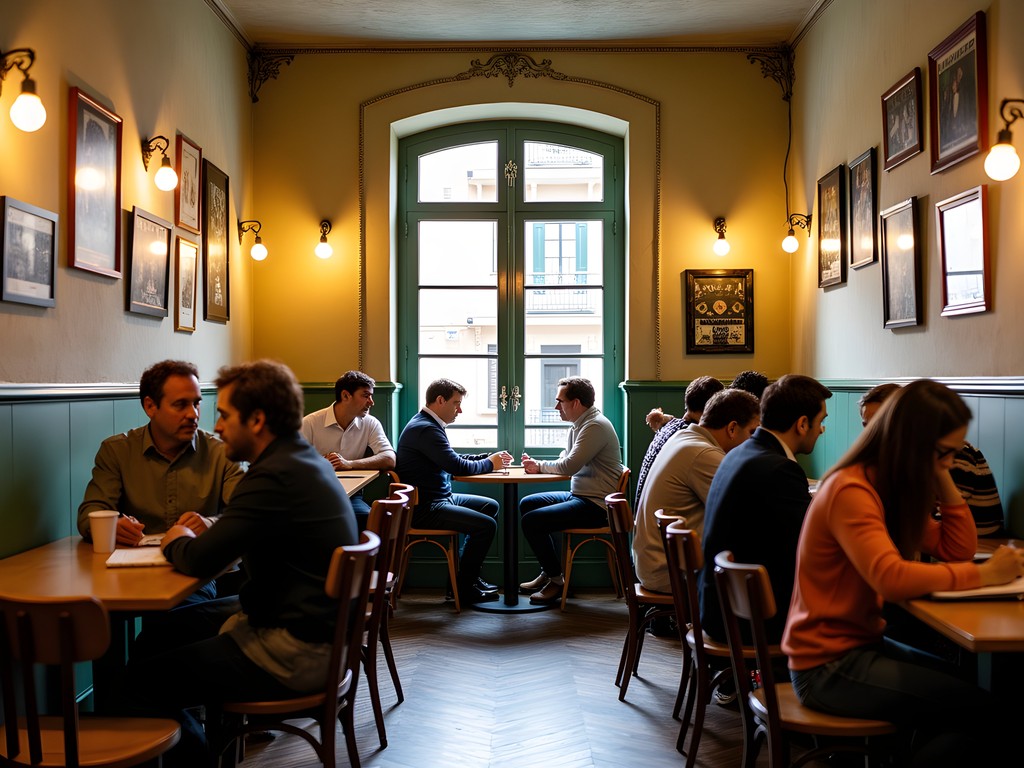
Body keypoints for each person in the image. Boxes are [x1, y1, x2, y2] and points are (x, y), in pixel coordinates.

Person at [121, 359, 359, 766]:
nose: (214, 426)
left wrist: (177, 538)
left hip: (293, 651)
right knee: (159, 636)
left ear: (257, 419)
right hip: (315, 632)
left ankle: (200, 758)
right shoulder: (301, 461)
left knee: (132, 685)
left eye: (224, 415)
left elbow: (200, 560)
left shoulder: (272, 477)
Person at [784, 380, 1024, 766]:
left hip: (857, 647)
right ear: (914, 445)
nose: (951, 461)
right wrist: (986, 575)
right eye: (944, 453)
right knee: (985, 713)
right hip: (827, 665)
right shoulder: (852, 490)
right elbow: (889, 578)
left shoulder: (882, 487)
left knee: (973, 691)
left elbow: (956, 549)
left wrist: (939, 473)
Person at [77, 359, 245, 601]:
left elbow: (244, 515)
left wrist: (208, 524)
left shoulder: (222, 452)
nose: (193, 414)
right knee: (91, 609)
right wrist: (111, 527)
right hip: (130, 571)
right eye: (180, 405)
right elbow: (89, 512)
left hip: (195, 573)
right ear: (150, 406)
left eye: (196, 403)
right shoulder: (117, 451)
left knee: (176, 621)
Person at [698, 374, 832, 645]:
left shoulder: (739, 452)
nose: (821, 430)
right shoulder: (780, 469)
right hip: (746, 619)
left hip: (719, 606)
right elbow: (812, 546)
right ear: (803, 424)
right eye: (821, 422)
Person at [395, 378, 513, 605]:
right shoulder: (425, 429)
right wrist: (491, 464)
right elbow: (457, 467)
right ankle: (463, 588)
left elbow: (452, 458)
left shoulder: (427, 424)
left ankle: (465, 580)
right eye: (456, 403)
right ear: (440, 400)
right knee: (486, 526)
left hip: (440, 499)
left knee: (490, 506)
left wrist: (487, 458)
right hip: (426, 507)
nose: (460, 410)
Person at [632, 388, 760, 594]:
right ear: (732, 428)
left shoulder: (684, 437)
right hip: (669, 572)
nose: (753, 441)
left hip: (654, 563)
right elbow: (742, 513)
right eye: (752, 432)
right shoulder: (704, 454)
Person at [519, 377, 624, 605]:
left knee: (532, 521)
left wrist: (538, 467)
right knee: (527, 504)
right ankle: (550, 571)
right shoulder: (581, 424)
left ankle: (556, 581)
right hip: (581, 496)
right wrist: (538, 465)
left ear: (576, 403)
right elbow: (565, 459)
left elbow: (569, 466)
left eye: (560, 401)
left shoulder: (594, 426)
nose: (557, 407)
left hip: (596, 505)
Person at [860, 382, 1005, 536]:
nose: (870, 434)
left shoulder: (952, 455)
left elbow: (932, 525)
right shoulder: (903, 457)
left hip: (980, 545)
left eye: (879, 425)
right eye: (866, 425)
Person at [301, 370, 396, 529]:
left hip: (352, 496)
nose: (371, 402)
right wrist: (320, 464)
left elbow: (389, 458)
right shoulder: (310, 423)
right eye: (365, 395)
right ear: (345, 396)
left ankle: (357, 554)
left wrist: (349, 464)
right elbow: (293, 464)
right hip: (314, 495)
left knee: (368, 520)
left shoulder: (370, 423)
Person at [635, 375, 723, 508]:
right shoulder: (692, 441)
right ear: (714, 408)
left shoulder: (672, 428)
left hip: (645, 518)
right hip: (662, 524)